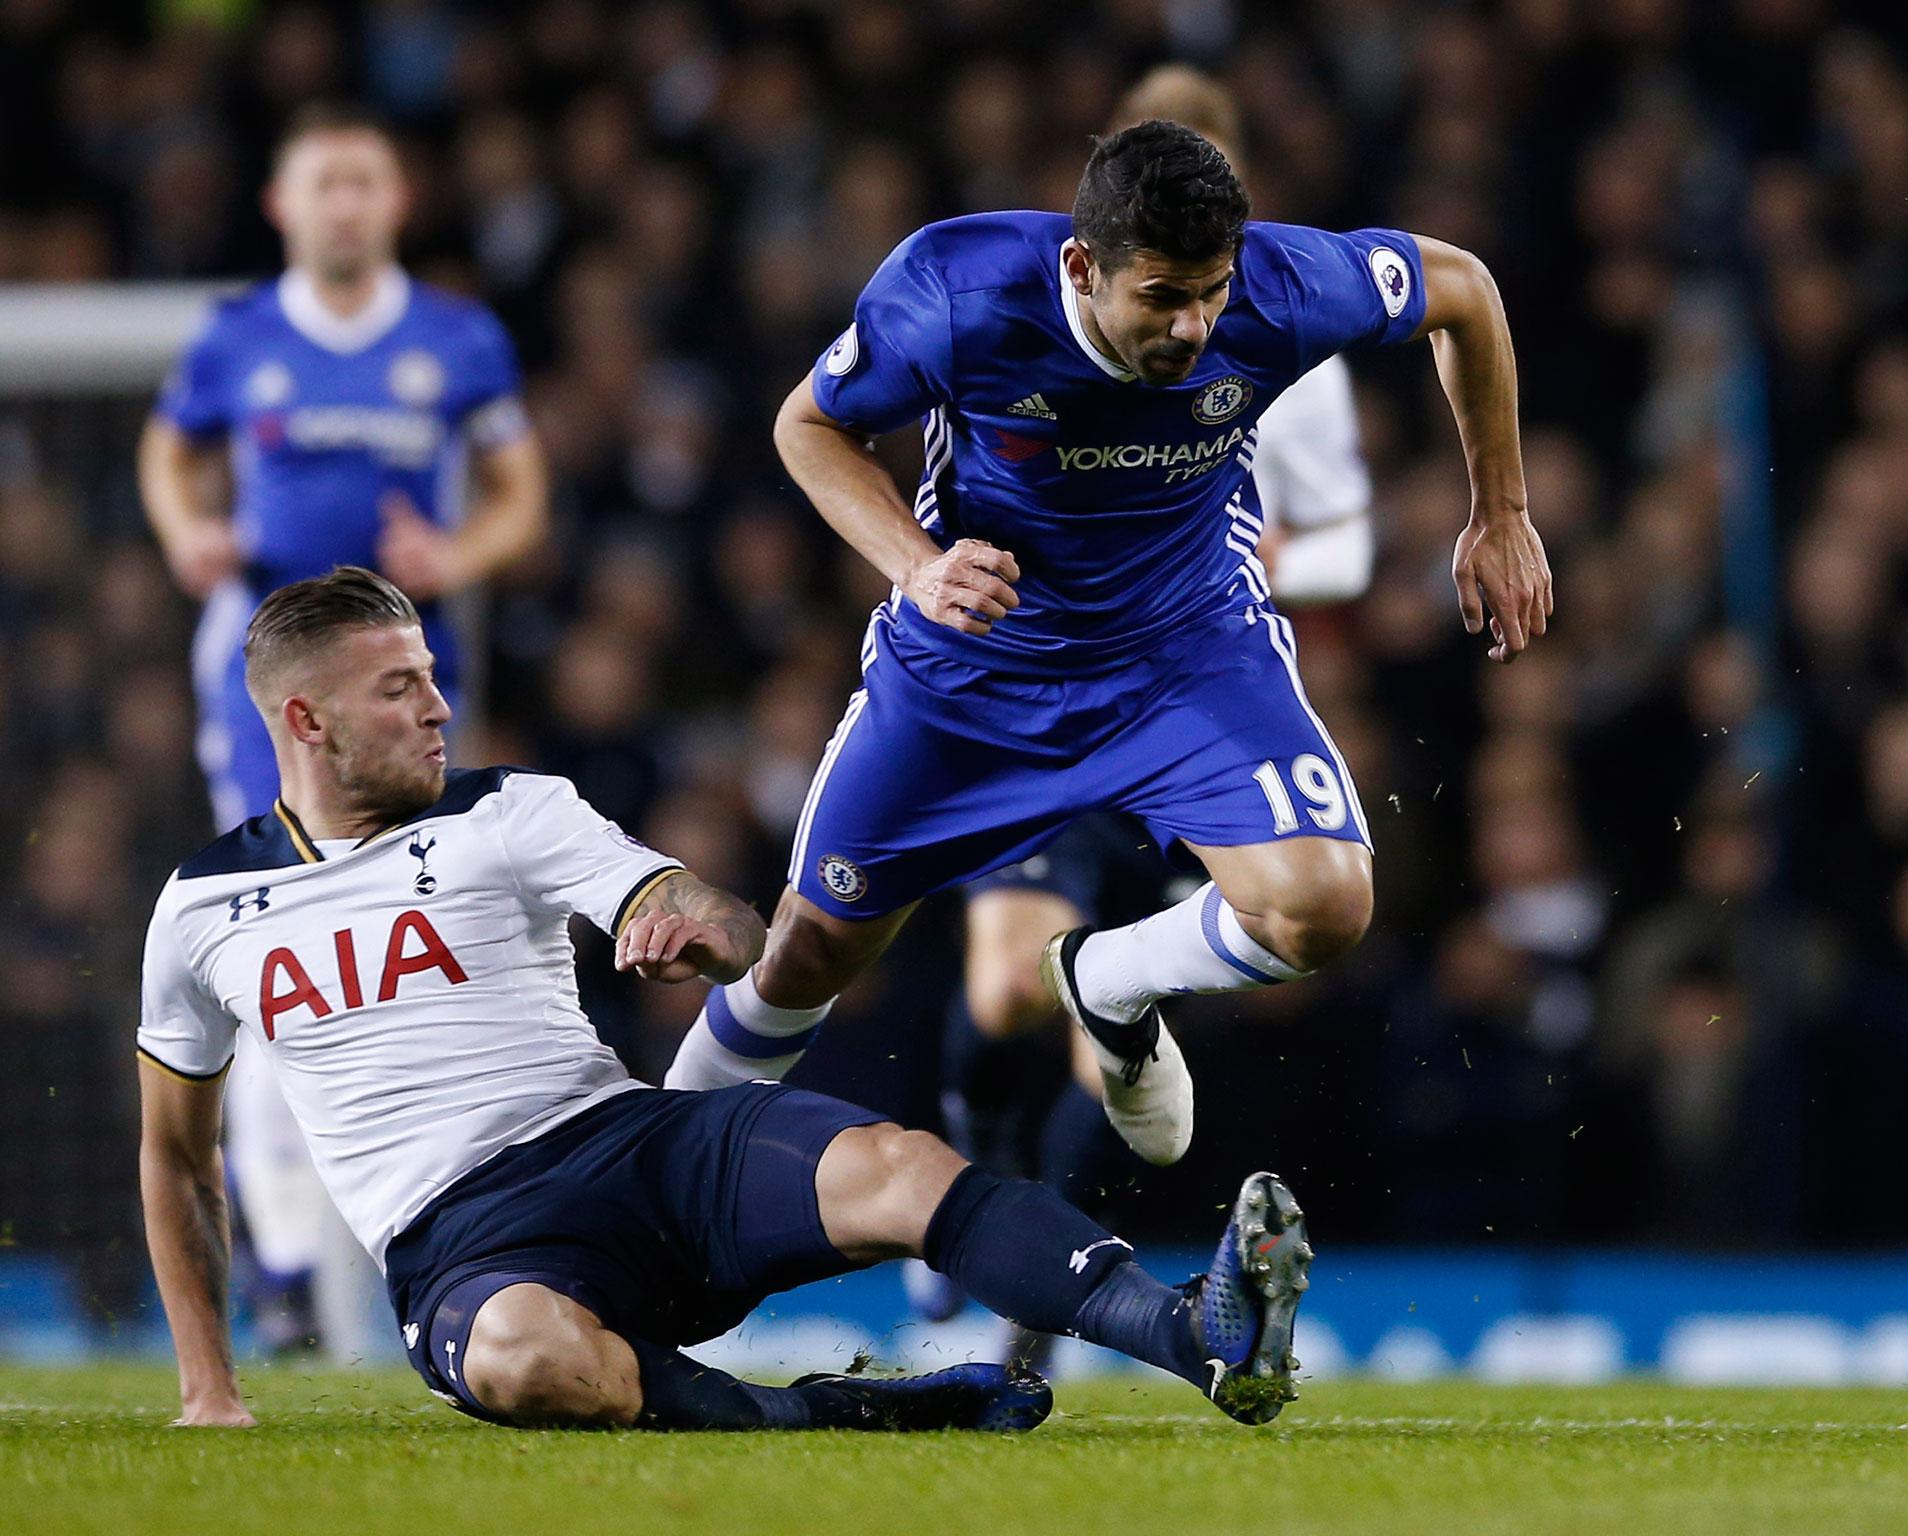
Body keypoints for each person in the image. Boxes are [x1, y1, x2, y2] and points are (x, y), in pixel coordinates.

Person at [137, 566, 1314, 1432]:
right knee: (525, 1363)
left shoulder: (509, 813)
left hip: (631, 1147)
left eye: (433, 679)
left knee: (900, 1166)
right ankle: (841, 1417)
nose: (439, 708)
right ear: (306, 720)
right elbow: (178, 1157)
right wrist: (209, 1389)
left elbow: (721, 915)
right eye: (400, 690)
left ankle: (1195, 1337)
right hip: (462, 1243)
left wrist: (694, 926)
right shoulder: (199, 908)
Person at [664, 119, 1551, 1171]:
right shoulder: (959, 289)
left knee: (1324, 908)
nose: (1194, 326)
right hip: (978, 670)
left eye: (1211, 290)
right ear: (1081, 267)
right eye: (1164, 297)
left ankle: (1107, 979)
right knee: (807, 952)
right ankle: (638, 1190)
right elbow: (807, 427)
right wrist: (914, 565)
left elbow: (1461, 289)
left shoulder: (1282, 288)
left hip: (1182, 654)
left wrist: (1498, 509)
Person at [917, 66, 1380, 1349]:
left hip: (1188, 690)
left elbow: (1344, 541)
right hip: (1037, 680)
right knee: (1007, 984)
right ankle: (977, 1152)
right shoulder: (1025, 313)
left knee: (1109, 1018)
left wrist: (1223, 572)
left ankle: (1029, 1294)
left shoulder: (1278, 332)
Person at [137, 103, 548, 1355]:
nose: (344, 205)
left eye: (363, 182)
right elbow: (169, 454)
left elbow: (518, 496)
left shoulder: (456, 340)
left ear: (395, 201)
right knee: (278, 961)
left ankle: (421, 1234)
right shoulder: (238, 339)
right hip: (259, 700)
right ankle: (279, 1270)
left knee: (417, 950)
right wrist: (185, 534)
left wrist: (457, 550)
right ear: (282, 205)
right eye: (323, 184)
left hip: (404, 689)